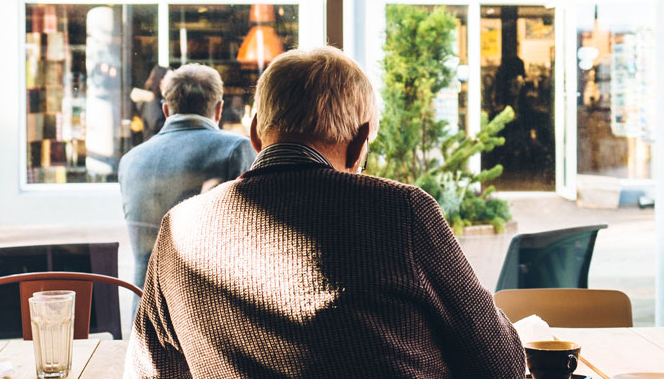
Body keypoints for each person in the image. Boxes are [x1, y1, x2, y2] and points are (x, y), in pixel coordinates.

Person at [126, 47, 526, 378]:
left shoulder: (178, 229)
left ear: (255, 135)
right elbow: (501, 365)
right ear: (358, 145)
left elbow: (150, 370)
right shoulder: (402, 213)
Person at [118, 63, 256, 289]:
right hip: (204, 310)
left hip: (143, 309)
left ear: (166, 110)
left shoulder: (130, 160)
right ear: (219, 109)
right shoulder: (235, 150)